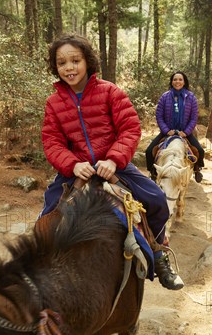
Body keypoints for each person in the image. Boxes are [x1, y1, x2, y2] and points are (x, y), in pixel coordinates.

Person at [40, 34, 184, 290]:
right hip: (76, 171)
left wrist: (114, 160)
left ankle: (159, 253)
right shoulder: (53, 103)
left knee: (157, 200)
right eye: (62, 63)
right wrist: (72, 164)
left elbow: (130, 128)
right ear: (55, 67)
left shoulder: (110, 92)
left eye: (75, 60)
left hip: (115, 167)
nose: (69, 67)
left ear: (87, 61)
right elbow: (52, 141)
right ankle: (39, 270)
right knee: (47, 218)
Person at [145, 71, 205, 183]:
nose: (177, 82)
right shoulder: (165, 97)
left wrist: (186, 132)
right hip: (167, 132)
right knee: (149, 151)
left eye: (180, 79)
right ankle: (153, 173)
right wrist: (166, 130)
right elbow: (159, 115)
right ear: (172, 82)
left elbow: (194, 118)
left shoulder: (191, 97)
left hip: (185, 132)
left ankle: (197, 169)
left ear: (184, 82)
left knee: (200, 151)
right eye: (175, 79)